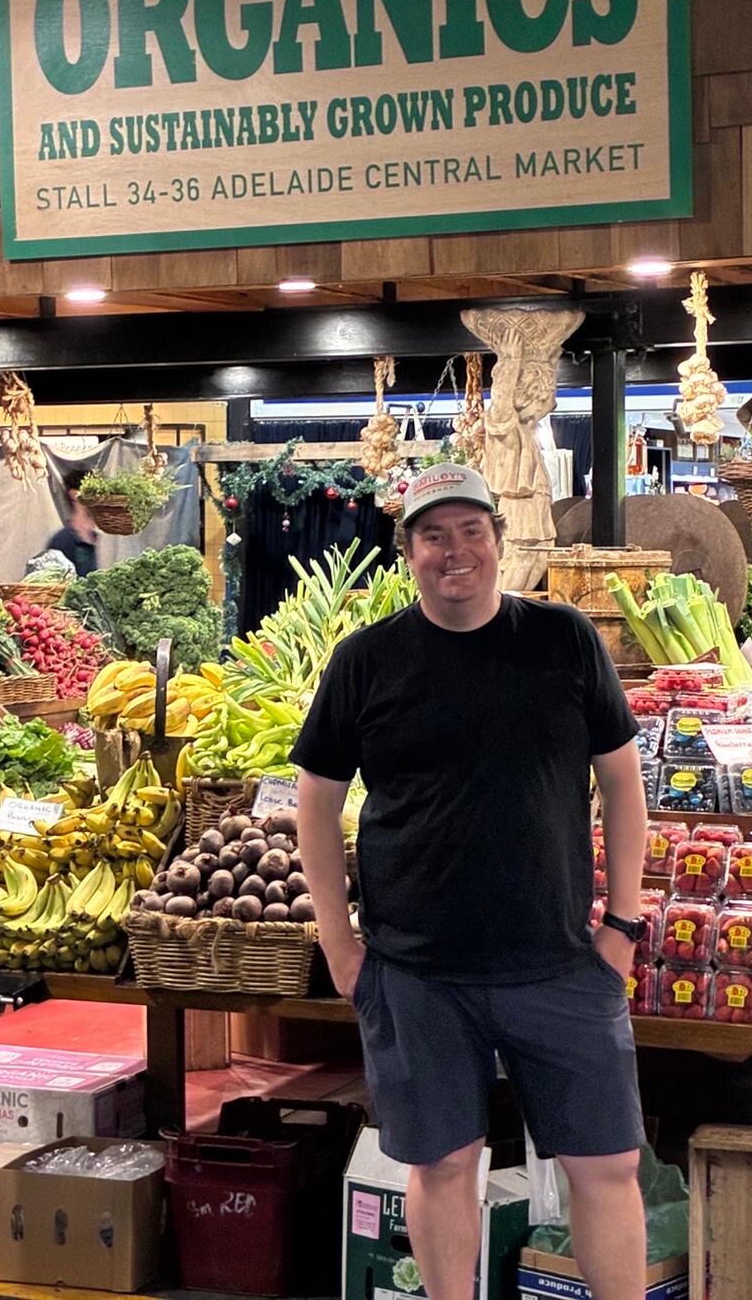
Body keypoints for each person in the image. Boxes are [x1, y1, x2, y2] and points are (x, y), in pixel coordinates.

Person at [295, 463, 649, 1300]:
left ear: (498, 539)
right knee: (442, 1165)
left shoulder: (565, 640)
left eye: (471, 531)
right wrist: (339, 943)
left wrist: (623, 926)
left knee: (607, 1163)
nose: (455, 551)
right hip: (417, 971)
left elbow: (625, 786)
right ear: (407, 551)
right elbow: (315, 807)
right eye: (433, 535)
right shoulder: (367, 661)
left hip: (561, 961)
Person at [45, 468, 99, 579]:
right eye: (92, 493)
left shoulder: (92, 536)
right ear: (75, 495)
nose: (98, 499)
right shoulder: (62, 541)